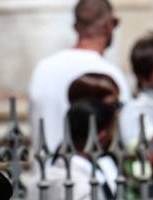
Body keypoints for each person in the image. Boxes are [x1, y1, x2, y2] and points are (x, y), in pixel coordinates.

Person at [28, 0, 134, 152]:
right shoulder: (110, 73)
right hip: (89, 172)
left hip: (47, 169)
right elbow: (127, 135)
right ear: (108, 25)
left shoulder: (43, 68)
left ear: (75, 27)